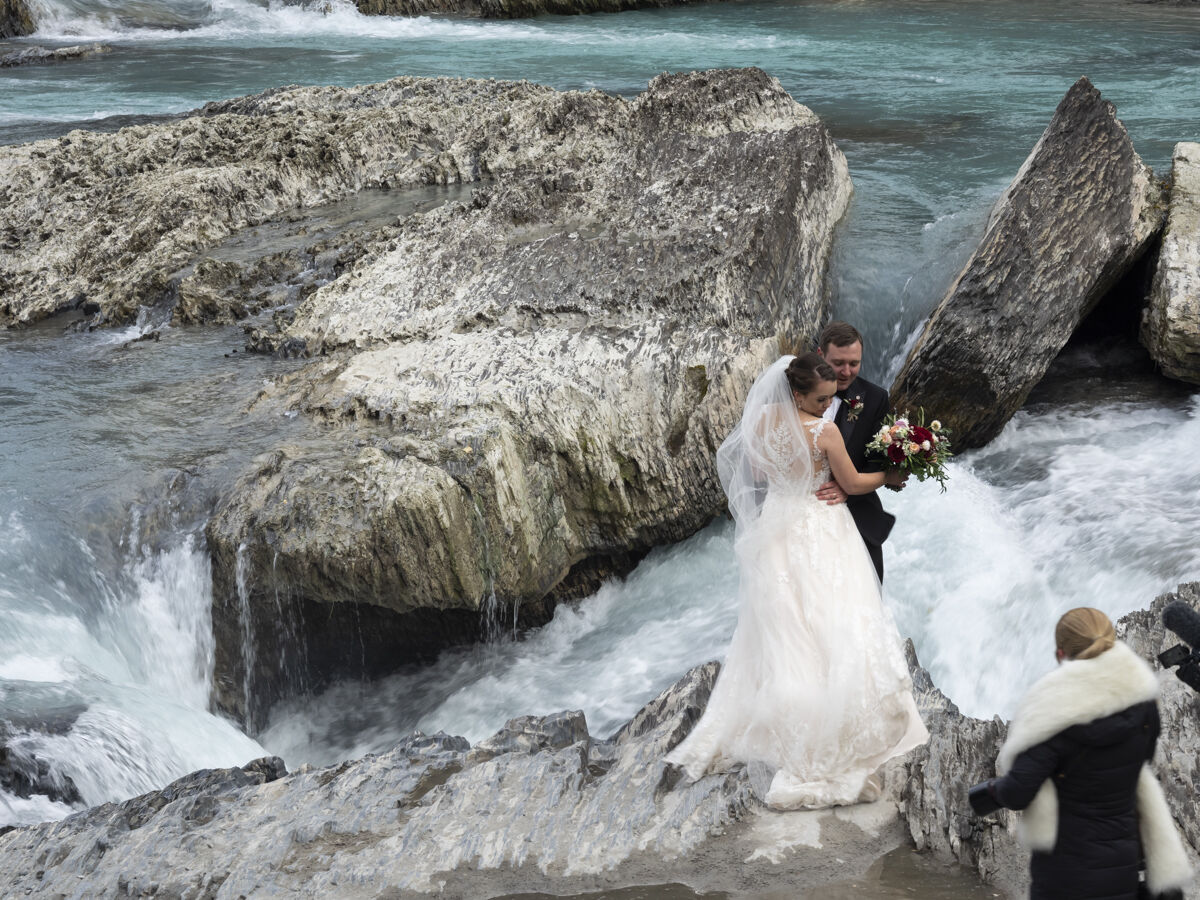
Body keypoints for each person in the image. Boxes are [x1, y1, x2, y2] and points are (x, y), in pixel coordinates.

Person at [664, 353, 928, 809]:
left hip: (777, 522)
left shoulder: (762, 420)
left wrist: (796, 476)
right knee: (835, 616)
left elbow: (760, 473)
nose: (829, 404)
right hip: (821, 523)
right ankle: (826, 717)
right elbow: (853, 482)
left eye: (832, 398)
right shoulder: (824, 432)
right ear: (797, 393)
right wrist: (894, 472)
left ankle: (782, 712)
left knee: (782, 624)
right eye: (822, 398)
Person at [975, 608, 1192, 900]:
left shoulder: (1053, 715)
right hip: (1121, 870)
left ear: (1061, 654)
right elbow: (1142, 764)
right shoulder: (1143, 707)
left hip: (1064, 876)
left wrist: (987, 793)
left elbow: (1018, 792)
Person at [814, 322, 899, 582]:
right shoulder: (791, 393)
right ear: (820, 356)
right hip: (801, 522)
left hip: (857, 519)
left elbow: (878, 462)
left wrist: (847, 486)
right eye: (838, 363)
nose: (846, 371)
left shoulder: (875, 399)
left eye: (854, 363)